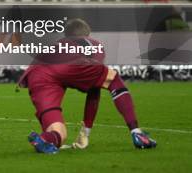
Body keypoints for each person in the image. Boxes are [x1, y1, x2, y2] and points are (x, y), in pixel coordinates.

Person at [18, 18, 157, 153]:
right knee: (112, 79)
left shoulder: (56, 45)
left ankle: (45, 139)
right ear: (87, 33)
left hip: (37, 75)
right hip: (71, 64)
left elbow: (93, 84)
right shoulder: (91, 43)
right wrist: (86, 131)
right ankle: (137, 132)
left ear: (66, 34)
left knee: (59, 133)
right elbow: (96, 84)